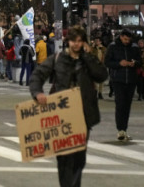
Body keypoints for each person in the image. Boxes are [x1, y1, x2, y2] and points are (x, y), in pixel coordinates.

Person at [28, 26, 108, 187]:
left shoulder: (87, 60)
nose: (76, 44)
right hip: (62, 114)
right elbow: (38, 75)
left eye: (80, 41)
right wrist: (38, 93)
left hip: (83, 113)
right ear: (67, 41)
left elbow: (102, 75)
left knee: (79, 157)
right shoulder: (57, 59)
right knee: (64, 158)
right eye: (73, 41)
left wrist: (87, 56)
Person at [104, 28, 142, 141]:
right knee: (120, 105)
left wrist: (134, 63)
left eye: (128, 39)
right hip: (118, 80)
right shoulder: (113, 46)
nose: (127, 41)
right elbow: (107, 62)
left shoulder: (134, 47)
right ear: (121, 37)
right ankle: (120, 129)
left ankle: (124, 129)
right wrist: (119, 64)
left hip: (131, 80)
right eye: (125, 39)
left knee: (127, 106)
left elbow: (140, 62)